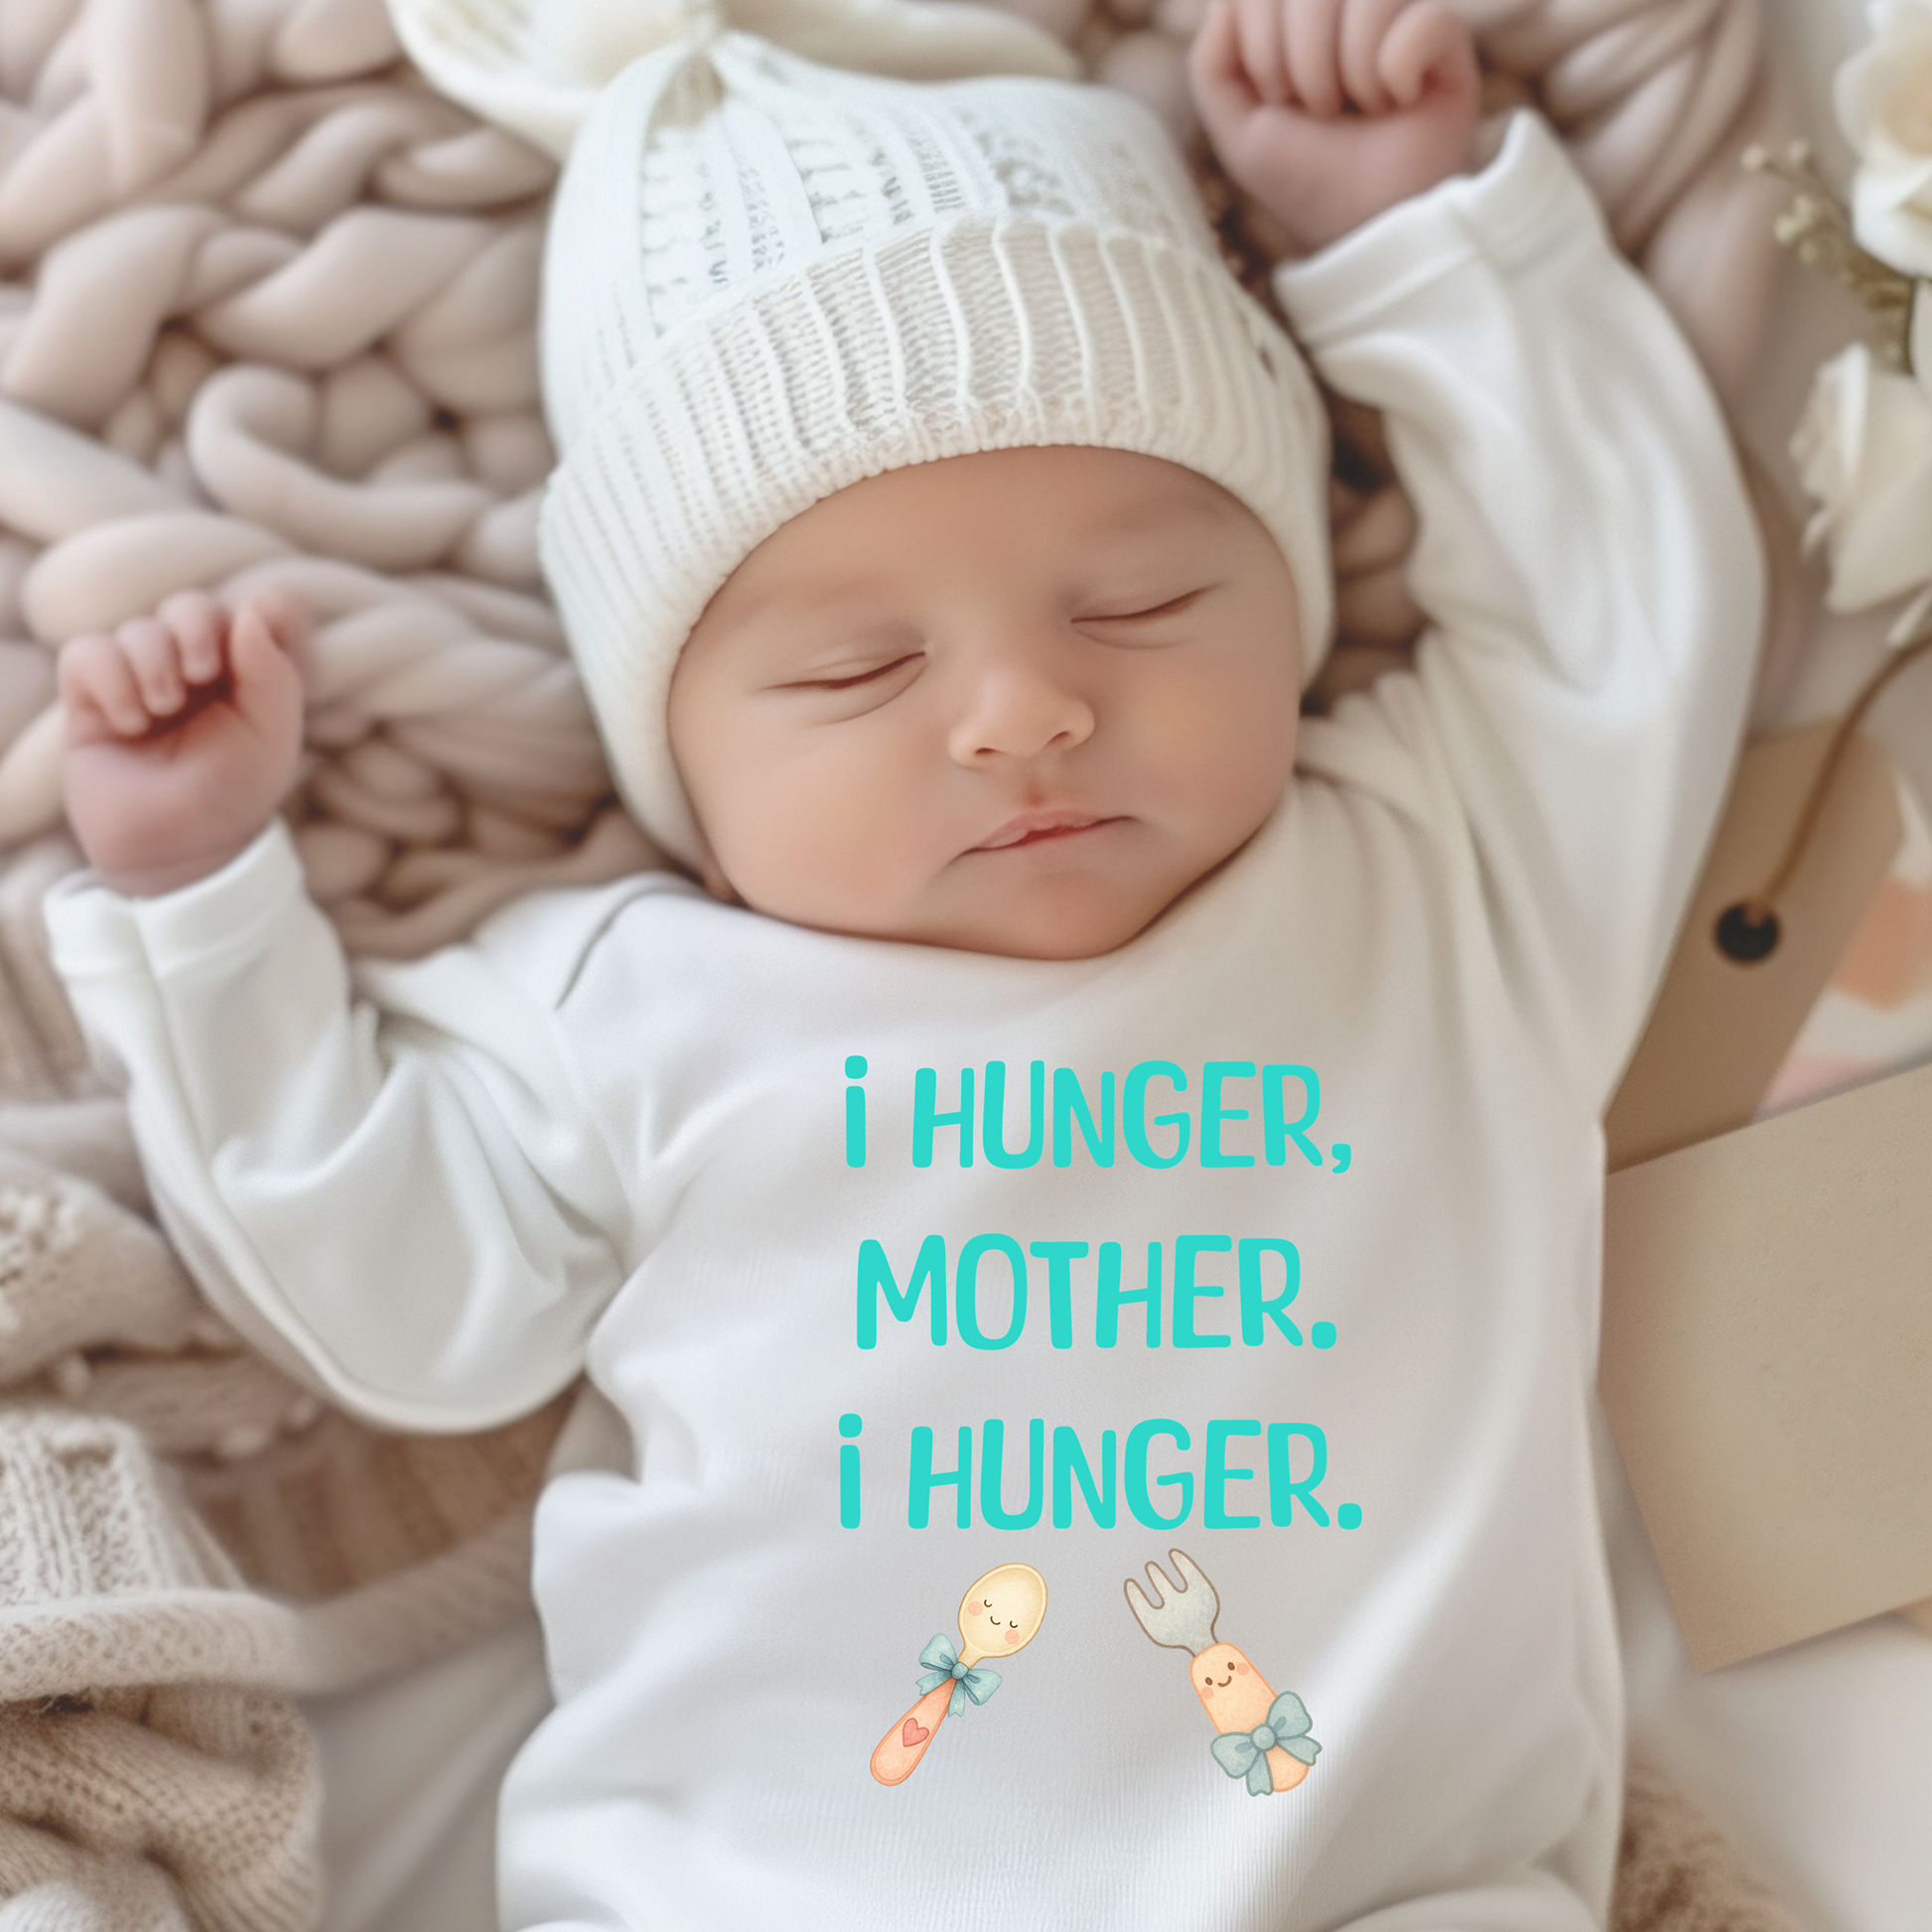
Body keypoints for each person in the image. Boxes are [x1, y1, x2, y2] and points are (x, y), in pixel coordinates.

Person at [40, 0, 1764, 1925]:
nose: (1024, 711)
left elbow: (1622, 607)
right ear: (681, 765)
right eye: (857, 670)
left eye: (1143, 602)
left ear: (1286, 596)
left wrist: (1406, 240)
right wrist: (203, 899)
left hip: (1369, 1886)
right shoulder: (628, 1005)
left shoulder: (1443, 877)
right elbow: (403, 1309)